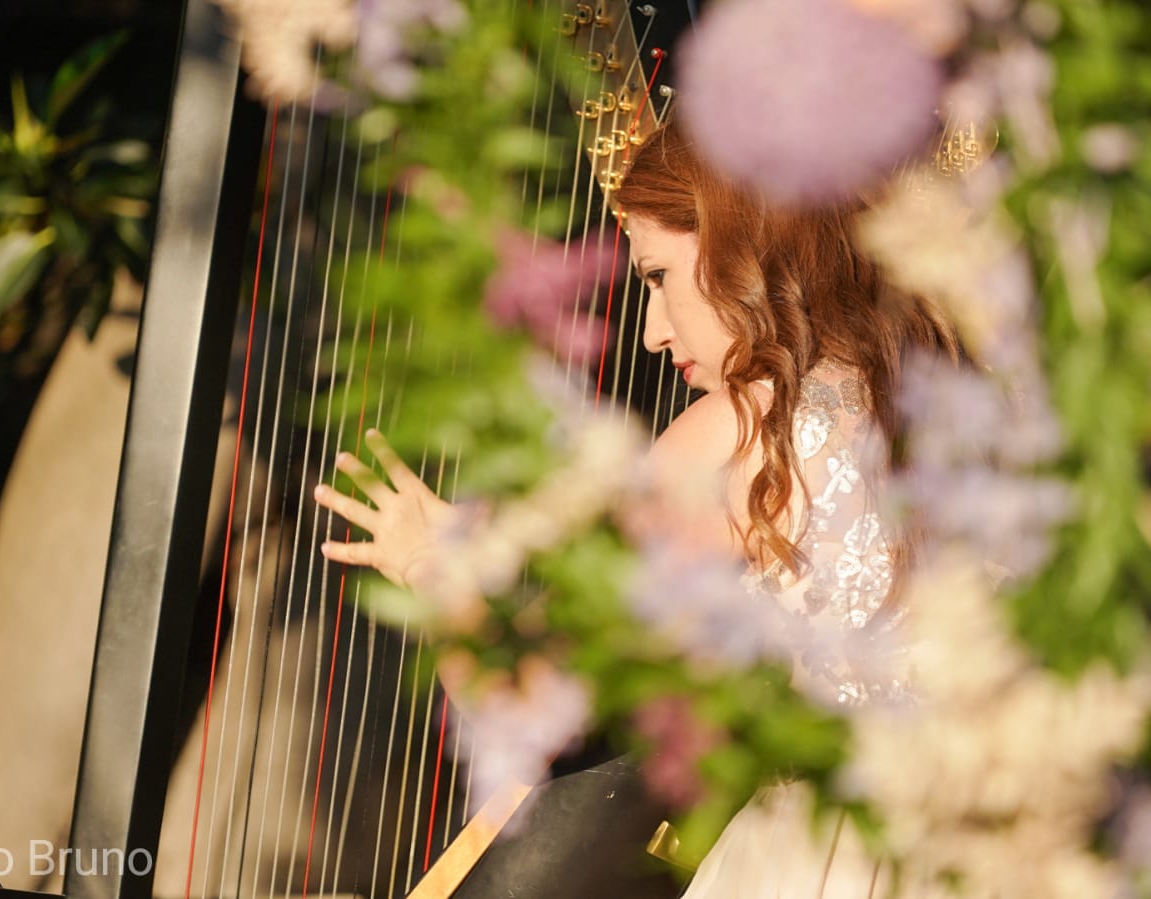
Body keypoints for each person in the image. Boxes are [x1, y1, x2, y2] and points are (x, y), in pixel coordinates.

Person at [311, 120, 959, 897]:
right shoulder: (952, 391)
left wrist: (436, 566)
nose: (652, 333)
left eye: (657, 276)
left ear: (740, 247)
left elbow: (535, 707)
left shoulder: (743, 428)